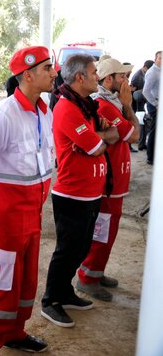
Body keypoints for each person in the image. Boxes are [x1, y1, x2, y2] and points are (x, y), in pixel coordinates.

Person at [0, 46, 56, 355]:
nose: (53, 72)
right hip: (6, 222)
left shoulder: (43, 111)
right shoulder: (3, 116)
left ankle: (14, 332)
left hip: (32, 216)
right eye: (48, 68)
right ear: (28, 75)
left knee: (24, 286)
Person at [40, 53, 119, 328]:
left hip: (90, 192)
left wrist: (99, 137)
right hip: (72, 194)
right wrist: (100, 138)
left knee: (81, 247)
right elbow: (98, 146)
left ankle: (65, 292)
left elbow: (111, 135)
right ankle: (50, 301)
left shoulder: (85, 106)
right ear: (80, 77)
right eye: (94, 72)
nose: (98, 77)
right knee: (67, 249)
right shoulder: (67, 108)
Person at [76, 58, 138, 301]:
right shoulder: (105, 105)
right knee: (101, 233)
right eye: (122, 76)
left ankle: (96, 272)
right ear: (108, 79)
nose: (127, 81)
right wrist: (129, 107)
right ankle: (87, 278)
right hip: (107, 184)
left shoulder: (112, 104)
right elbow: (134, 136)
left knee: (107, 232)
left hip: (115, 183)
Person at [132, 60, 154, 150]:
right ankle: (141, 143)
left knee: (143, 122)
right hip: (137, 104)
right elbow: (133, 90)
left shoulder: (143, 73)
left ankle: (142, 143)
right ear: (145, 67)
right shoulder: (137, 75)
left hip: (142, 102)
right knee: (141, 122)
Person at [143, 51, 160, 165]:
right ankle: (150, 158)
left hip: (158, 103)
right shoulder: (153, 72)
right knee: (154, 132)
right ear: (156, 59)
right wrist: (155, 103)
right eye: (160, 58)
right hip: (154, 104)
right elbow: (145, 91)